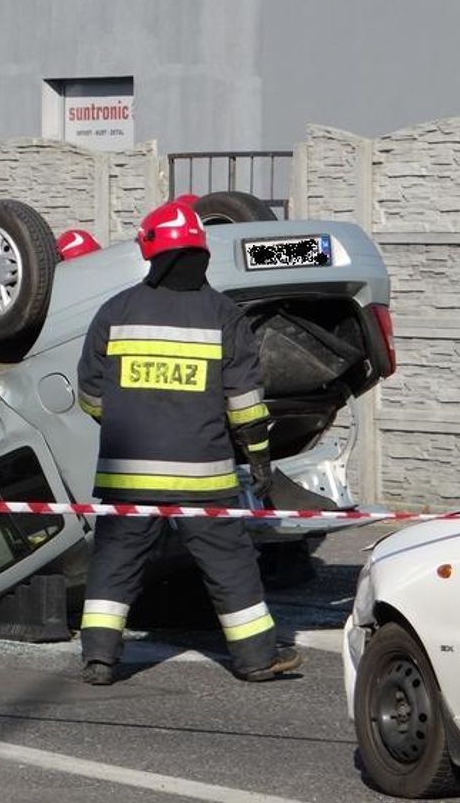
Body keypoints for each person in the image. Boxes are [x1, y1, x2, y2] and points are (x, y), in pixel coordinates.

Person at [75, 198, 301, 686]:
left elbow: (89, 395)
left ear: (152, 251)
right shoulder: (224, 315)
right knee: (229, 564)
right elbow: (244, 402)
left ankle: (98, 657)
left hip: (126, 475)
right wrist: (259, 459)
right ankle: (258, 658)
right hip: (203, 476)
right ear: (201, 250)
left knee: (115, 563)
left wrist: (126, 423)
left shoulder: (114, 311)